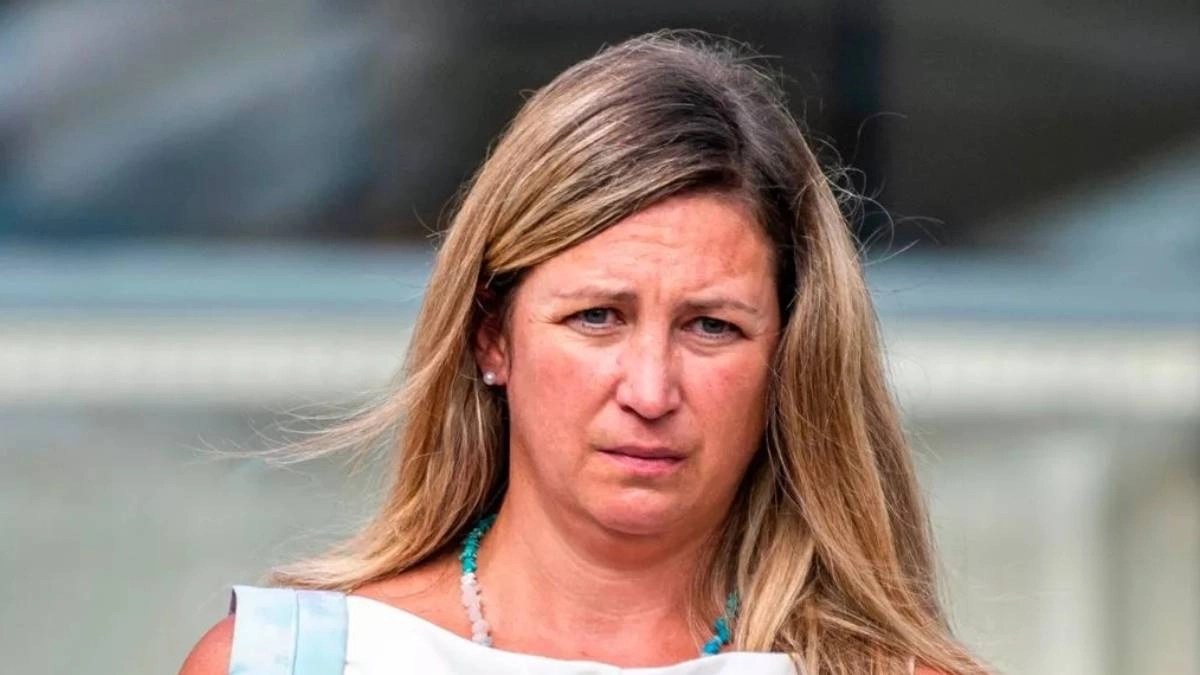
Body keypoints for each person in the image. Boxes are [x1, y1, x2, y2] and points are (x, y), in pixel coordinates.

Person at [181, 31, 989, 675]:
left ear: (789, 358)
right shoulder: (290, 661)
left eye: (711, 326)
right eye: (598, 316)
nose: (650, 389)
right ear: (491, 332)